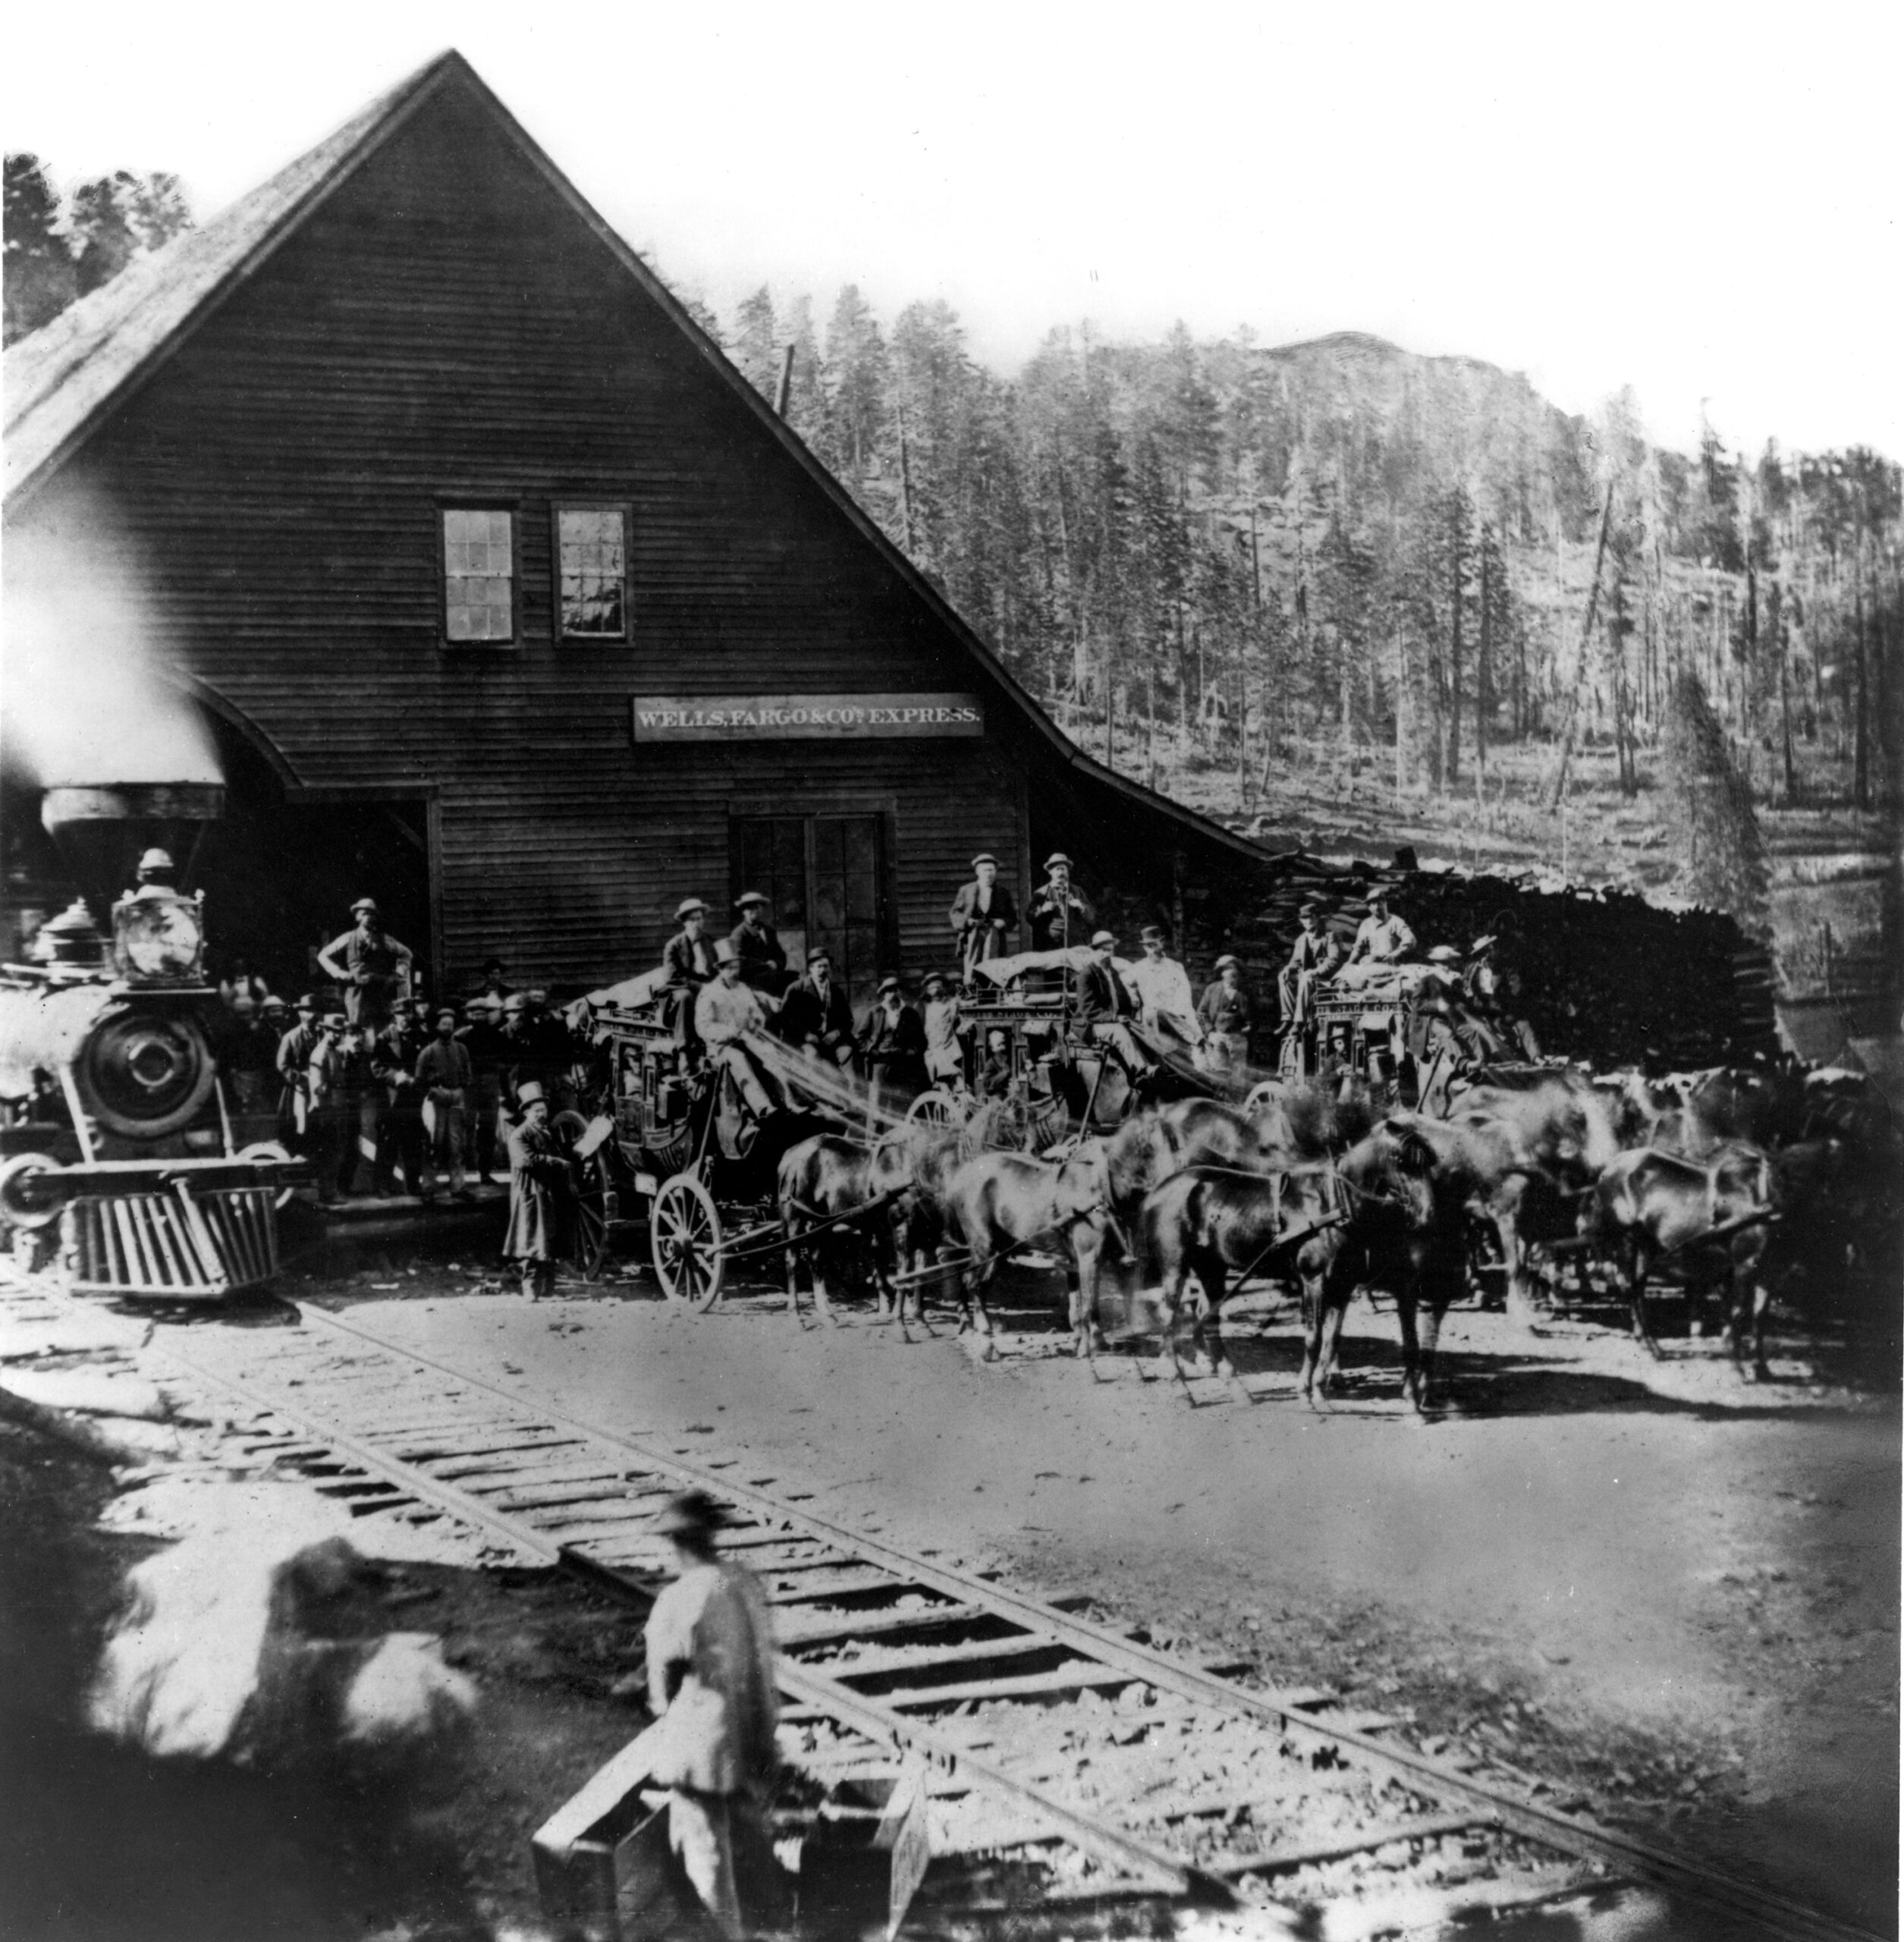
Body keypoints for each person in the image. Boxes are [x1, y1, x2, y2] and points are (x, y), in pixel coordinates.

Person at [643, 1490, 780, 1942]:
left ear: (678, 1545)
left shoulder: (679, 1598)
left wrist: (663, 1706)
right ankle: (775, 1921)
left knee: (705, 1853)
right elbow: (762, 1660)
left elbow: (661, 1681)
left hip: (700, 1746)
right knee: (749, 1832)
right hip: (749, 1731)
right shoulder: (744, 1583)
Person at [502, 1081, 570, 1298]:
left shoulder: (547, 1131)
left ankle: (548, 1289)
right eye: (537, 1111)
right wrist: (555, 1162)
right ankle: (530, 1290)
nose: (542, 1114)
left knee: (548, 1240)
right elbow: (526, 1161)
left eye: (544, 1110)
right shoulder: (519, 1135)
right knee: (532, 1241)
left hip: (546, 1192)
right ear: (527, 1113)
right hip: (529, 1193)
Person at [695, 941, 778, 1118]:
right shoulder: (709, 992)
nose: (735, 972)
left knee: (769, 1051)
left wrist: (757, 1020)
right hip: (721, 1048)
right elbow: (703, 1027)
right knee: (738, 1059)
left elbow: (755, 1011)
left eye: (737, 968)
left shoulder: (743, 988)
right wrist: (731, 1031)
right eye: (730, 968)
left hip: (746, 1040)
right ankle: (764, 1107)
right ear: (721, 969)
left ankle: (790, 1102)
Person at [316, 898, 414, 1029]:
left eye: (371, 914)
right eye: (364, 914)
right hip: (357, 993)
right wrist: (339, 973)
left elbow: (407, 954)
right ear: (358, 917)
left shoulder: (384, 939)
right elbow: (323, 955)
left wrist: (398, 973)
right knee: (358, 1028)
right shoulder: (348, 937)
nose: (367, 917)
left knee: (382, 1029)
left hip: (380, 992)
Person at [1071, 931, 1153, 1076]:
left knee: (1141, 1030)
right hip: (1090, 1025)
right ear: (1095, 951)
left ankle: (1157, 1070)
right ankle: (1142, 1070)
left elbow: (1124, 999)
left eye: (1110, 950)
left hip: (1110, 1020)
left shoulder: (1112, 972)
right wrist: (1115, 1018)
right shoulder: (1086, 975)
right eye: (1104, 950)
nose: (1107, 954)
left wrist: (1128, 1017)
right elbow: (1089, 1010)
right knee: (1119, 1032)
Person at [415, 1006, 475, 1202]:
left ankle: (458, 1186)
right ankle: (429, 1188)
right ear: (437, 1026)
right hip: (436, 1103)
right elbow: (420, 1081)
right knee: (435, 1144)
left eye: (451, 1024)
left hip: (456, 1100)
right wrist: (435, 1092)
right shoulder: (428, 1052)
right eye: (444, 1024)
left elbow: (467, 1075)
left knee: (457, 1145)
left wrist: (460, 1090)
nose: (448, 1027)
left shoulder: (462, 1049)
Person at [372, 998, 426, 1197]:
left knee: (413, 1144)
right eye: (401, 1014)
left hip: (414, 1100)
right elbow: (377, 1068)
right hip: (391, 1100)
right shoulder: (384, 1037)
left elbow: (427, 1065)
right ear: (394, 1016)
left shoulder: (420, 1037)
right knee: (388, 1143)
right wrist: (396, 1076)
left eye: (408, 1013)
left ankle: (413, 1185)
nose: (405, 1018)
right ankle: (383, 1186)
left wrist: (420, 1081)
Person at [1125, 925, 1204, 1054]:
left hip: (1175, 1016)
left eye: (1155, 944)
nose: (1153, 949)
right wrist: (1132, 994)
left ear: (1162, 943)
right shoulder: (1138, 968)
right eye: (1148, 946)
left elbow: (1185, 998)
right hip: (1152, 1018)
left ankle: (1197, 1041)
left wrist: (1182, 1016)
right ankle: (1194, 1039)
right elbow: (1124, 983)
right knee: (1159, 1015)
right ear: (1144, 948)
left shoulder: (1175, 967)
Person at [458, 995, 508, 1184]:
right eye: (475, 1015)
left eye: (482, 1014)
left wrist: (499, 1083)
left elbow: (505, 1061)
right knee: (465, 1129)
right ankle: (460, 1175)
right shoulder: (461, 1036)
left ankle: (485, 1172)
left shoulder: (497, 1035)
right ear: (469, 1016)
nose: (479, 1018)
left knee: (488, 1130)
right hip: (468, 1087)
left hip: (490, 1085)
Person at [856, 976, 927, 1103]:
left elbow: (921, 1041)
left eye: (896, 990)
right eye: (889, 991)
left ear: (901, 992)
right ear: (883, 994)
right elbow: (860, 1039)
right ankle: (876, 1121)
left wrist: (912, 1051)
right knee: (877, 1101)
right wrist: (873, 1051)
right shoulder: (875, 1012)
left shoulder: (910, 1014)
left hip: (904, 1060)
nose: (893, 994)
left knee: (903, 1100)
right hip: (881, 1061)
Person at [778, 948, 854, 1065]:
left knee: (848, 1052)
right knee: (812, 1055)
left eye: (826, 967)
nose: (822, 971)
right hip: (802, 1042)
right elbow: (784, 1018)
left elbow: (848, 1020)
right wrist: (806, 1034)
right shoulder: (796, 989)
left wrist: (836, 1033)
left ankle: (852, 1083)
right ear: (811, 968)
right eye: (819, 967)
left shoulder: (836, 991)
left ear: (830, 969)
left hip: (830, 1042)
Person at [948, 853, 1017, 982]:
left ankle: (992, 991)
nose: (989, 874)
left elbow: (1012, 916)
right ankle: (972, 990)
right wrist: (966, 921)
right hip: (973, 933)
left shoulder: (1003, 892)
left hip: (994, 933)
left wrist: (1004, 922)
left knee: (993, 962)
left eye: (992, 870)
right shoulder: (966, 890)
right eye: (986, 870)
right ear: (977, 872)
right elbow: (955, 912)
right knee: (972, 963)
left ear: (996, 872)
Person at [1333, 886, 1416, 989]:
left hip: (1391, 966)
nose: (1376, 907)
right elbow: (1358, 948)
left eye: (1379, 902)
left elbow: (1410, 939)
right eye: (1372, 904)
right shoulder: (1366, 924)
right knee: (1345, 975)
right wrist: (1349, 962)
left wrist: (1395, 954)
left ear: (1385, 903)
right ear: (1369, 907)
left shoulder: (1395, 921)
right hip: (1372, 964)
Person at [1277, 902, 1342, 1029]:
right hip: (1308, 977)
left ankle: (1298, 1022)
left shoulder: (1329, 936)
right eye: (1304, 918)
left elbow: (1333, 960)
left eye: (1311, 917)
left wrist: (1316, 972)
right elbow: (1295, 962)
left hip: (1325, 978)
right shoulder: (1301, 940)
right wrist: (1288, 968)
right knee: (1283, 976)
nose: (1308, 921)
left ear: (1317, 918)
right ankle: (1288, 1018)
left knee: (1306, 978)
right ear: (1301, 921)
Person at [1027, 853, 1095, 954]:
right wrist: (1042, 910)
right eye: (1057, 869)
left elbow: (1092, 916)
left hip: (1076, 944)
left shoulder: (1077, 891)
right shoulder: (1041, 893)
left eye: (1063, 869)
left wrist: (1081, 906)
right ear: (1050, 872)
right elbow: (1030, 918)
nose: (1061, 872)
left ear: (1067, 872)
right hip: (1052, 945)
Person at [1198, 955, 1254, 1073]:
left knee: (1238, 1073)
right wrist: (1210, 1031)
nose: (1233, 972)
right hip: (1217, 1036)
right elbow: (1201, 1013)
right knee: (1219, 1071)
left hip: (1238, 1038)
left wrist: (1248, 1028)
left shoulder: (1245, 991)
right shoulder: (1212, 989)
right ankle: (1221, 1091)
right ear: (1222, 972)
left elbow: (1254, 1015)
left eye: (1235, 968)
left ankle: (1237, 1091)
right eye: (1228, 968)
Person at [727, 894, 789, 995]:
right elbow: (738, 961)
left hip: (773, 978)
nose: (754, 910)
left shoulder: (769, 931)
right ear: (743, 911)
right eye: (750, 908)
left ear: (762, 909)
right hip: (752, 982)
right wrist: (764, 966)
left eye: (757, 907)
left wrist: (776, 963)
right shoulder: (739, 933)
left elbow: (781, 955)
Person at [663, 897, 720, 991]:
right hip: (685, 986)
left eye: (699, 919)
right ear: (684, 922)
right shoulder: (673, 946)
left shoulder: (713, 942)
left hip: (710, 983)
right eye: (692, 920)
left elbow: (721, 969)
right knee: (685, 997)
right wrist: (700, 986)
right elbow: (673, 976)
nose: (696, 923)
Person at [921, 971, 964, 1086]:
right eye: (932, 988)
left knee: (953, 1074)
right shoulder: (928, 1008)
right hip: (935, 1048)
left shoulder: (949, 1005)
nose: (935, 991)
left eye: (938, 988)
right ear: (928, 991)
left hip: (948, 1046)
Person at [974, 1027, 1016, 1101]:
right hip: (996, 1099)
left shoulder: (1007, 1059)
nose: (1004, 1047)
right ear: (993, 1048)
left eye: (1004, 1043)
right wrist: (1004, 1074)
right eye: (1000, 1045)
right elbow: (988, 1087)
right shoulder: (991, 1064)